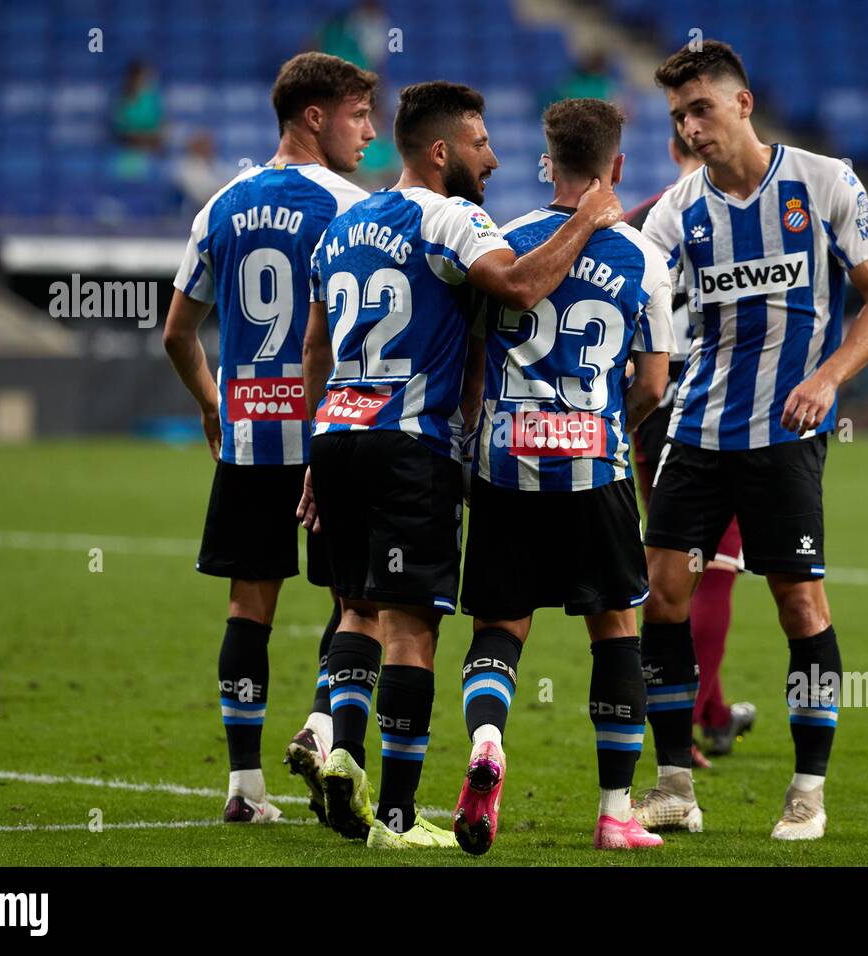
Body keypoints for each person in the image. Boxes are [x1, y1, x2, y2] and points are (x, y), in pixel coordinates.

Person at [298, 80, 623, 850]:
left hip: (338, 431)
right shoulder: (453, 216)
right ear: (441, 151)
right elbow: (515, 284)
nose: (496, 157)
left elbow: (315, 347)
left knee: (354, 610)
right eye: (481, 144)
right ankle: (401, 821)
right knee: (412, 629)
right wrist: (586, 218)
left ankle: (344, 751)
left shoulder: (342, 225)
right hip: (411, 444)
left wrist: (316, 449)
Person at [634, 41, 868, 841]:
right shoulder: (675, 212)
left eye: (701, 109)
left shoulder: (824, 182)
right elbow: (639, 309)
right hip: (697, 430)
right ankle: (675, 782)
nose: (690, 127)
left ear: (743, 104)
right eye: (680, 115)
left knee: (799, 602)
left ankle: (808, 791)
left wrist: (827, 379)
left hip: (785, 435)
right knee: (665, 596)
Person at [452, 98, 675, 854]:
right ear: (615, 168)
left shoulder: (501, 244)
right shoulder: (645, 259)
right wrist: (612, 428)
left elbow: (471, 363)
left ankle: (487, 742)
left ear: (548, 162)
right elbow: (652, 384)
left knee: (498, 629)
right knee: (614, 631)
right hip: (596, 469)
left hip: (506, 465)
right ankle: (615, 814)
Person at [162, 52, 378, 824]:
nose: (370, 132)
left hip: (249, 436)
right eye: (358, 115)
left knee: (248, 607)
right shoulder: (350, 207)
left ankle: (244, 789)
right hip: (326, 438)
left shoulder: (219, 206)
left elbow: (177, 334)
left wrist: (212, 404)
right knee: (357, 602)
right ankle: (322, 727)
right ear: (313, 117)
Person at [626, 123, 756, 767]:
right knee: (714, 566)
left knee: (678, 566)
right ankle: (690, 717)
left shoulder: (636, 222)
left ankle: (706, 711)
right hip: (714, 399)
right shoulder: (733, 217)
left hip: (651, 403)